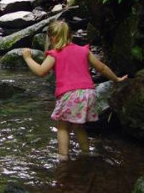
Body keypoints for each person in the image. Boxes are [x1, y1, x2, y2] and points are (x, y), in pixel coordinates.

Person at [22, 20, 127, 161]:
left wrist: (28, 58)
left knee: (62, 127)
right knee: (79, 127)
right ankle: (86, 152)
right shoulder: (84, 50)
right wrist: (116, 79)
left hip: (70, 94)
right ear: (70, 35)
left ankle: (63, 157)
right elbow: (101, 68)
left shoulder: (54, 54)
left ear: (52, 38)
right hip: (88, 93)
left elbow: (41, 71)